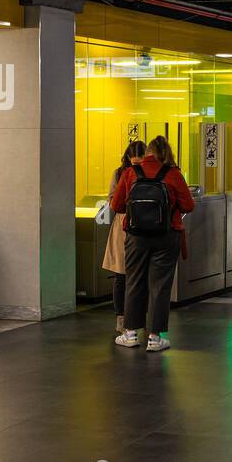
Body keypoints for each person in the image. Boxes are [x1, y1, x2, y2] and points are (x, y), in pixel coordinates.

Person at [109, 135, 194, 351]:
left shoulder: (130, 173)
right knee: (160, 286)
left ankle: (130, 334)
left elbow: (117, 205)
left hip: (136, 237)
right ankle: (154, 338)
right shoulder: (173, 174)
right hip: (167, 235)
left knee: (134, 282)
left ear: (147, 153)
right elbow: (188, 205)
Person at [102, 140, 145, 336]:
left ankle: (136, 316)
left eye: (140, 161)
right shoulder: (119, 173)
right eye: (133, 161)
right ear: (127, 158)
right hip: (123, 225)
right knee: (121, 274)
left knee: (138, 274)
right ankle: (121, 316)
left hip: (141, 225)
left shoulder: (149, 172)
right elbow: (112, 200)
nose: (136, 165)